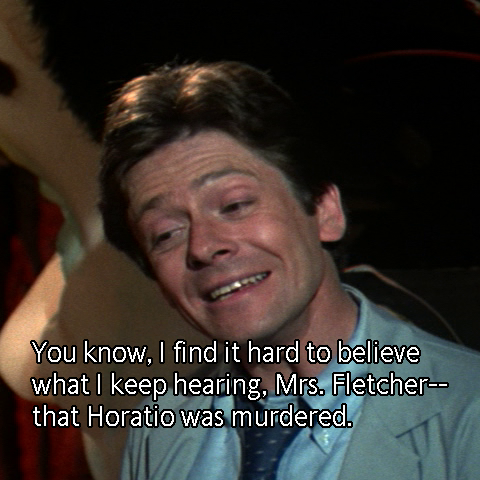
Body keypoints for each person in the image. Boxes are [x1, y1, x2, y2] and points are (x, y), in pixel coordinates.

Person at [100, 61, 480, 479]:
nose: (204, 247)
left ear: (325, 211)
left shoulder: (466, 410)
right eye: (166, 233)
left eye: (234, 205)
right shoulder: (157, 431)